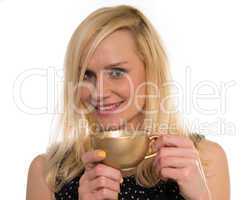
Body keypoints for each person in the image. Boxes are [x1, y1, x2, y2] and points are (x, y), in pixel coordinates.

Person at [26, 5, 230, 200]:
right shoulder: (48, 174)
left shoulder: (203, 161)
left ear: (151, 73)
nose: (99, 92)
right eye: (86, 75)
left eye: (116, 72)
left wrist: (202, 197)